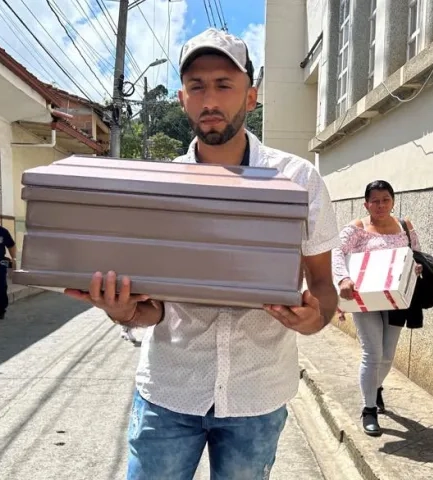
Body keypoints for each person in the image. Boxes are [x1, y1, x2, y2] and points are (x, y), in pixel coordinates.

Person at [65, 28, 340, 480]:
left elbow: (323, 285)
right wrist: (122, 311)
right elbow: (151, 309)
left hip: (258, 391)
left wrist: (316, 319)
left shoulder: (297, 179)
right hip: (171, 390)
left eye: (224, 85)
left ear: (251, 97)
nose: (210, 99)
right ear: (182, 99)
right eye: (197, 87)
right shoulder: (162, 189)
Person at [332, 180, 423, 436]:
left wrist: (415, 268)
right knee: (372, 353)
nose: (380, 205)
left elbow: (416, 254)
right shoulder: (357, 228)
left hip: (396, 300)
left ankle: (376, 387)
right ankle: (369, 408)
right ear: (366, 204)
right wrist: (343, 279)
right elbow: (336, 252)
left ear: (393, 201)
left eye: (385, 199)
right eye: (375, 201)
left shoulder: (405, 226)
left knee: (387, 355)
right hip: (365, 299)